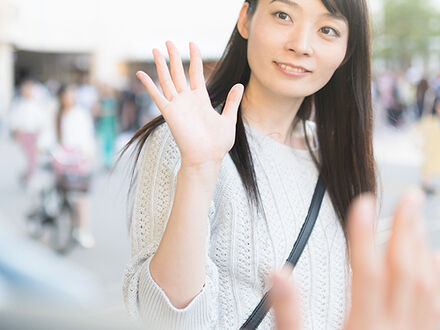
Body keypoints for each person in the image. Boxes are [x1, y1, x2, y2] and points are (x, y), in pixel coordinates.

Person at [122, 0, 440, 329]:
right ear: (245, 18)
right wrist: (198, 170)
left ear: (347, 50)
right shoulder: (185, 143)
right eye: (283, 15)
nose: (300, 45)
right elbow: (165, 320)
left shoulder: (343, 159)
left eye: (327, 30)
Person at [55, 84, 96, 248]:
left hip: (79, 159)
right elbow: (50, 135)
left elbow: (87, 137)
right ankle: (69, 225)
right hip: (60, 159)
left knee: (80, 197)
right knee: (62, 193)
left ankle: (83, 229)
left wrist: (85, 154)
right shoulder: (56, 113)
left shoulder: (80, 114)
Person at [417, 97, 440, 195]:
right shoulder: (430, 120)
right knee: (429, 166)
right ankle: (426, 185)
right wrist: (420, 143)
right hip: (431, 148)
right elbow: (419, 131)